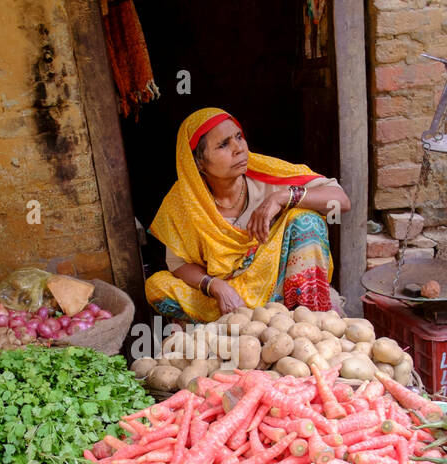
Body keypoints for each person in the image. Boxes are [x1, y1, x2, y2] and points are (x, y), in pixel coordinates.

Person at [144, 107, 351, 323]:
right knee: (157, 286)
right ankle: (247, 319)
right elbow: (178, 264)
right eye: (223, 144)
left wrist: (283, 197)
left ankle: (306, 318)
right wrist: (216, 286)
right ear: (199, 162)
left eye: (238, 137)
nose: (239, 148)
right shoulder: (184, 200)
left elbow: (341, 201)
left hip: (276, 284)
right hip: (227, 295)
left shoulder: (267, 173)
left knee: (307, 220)